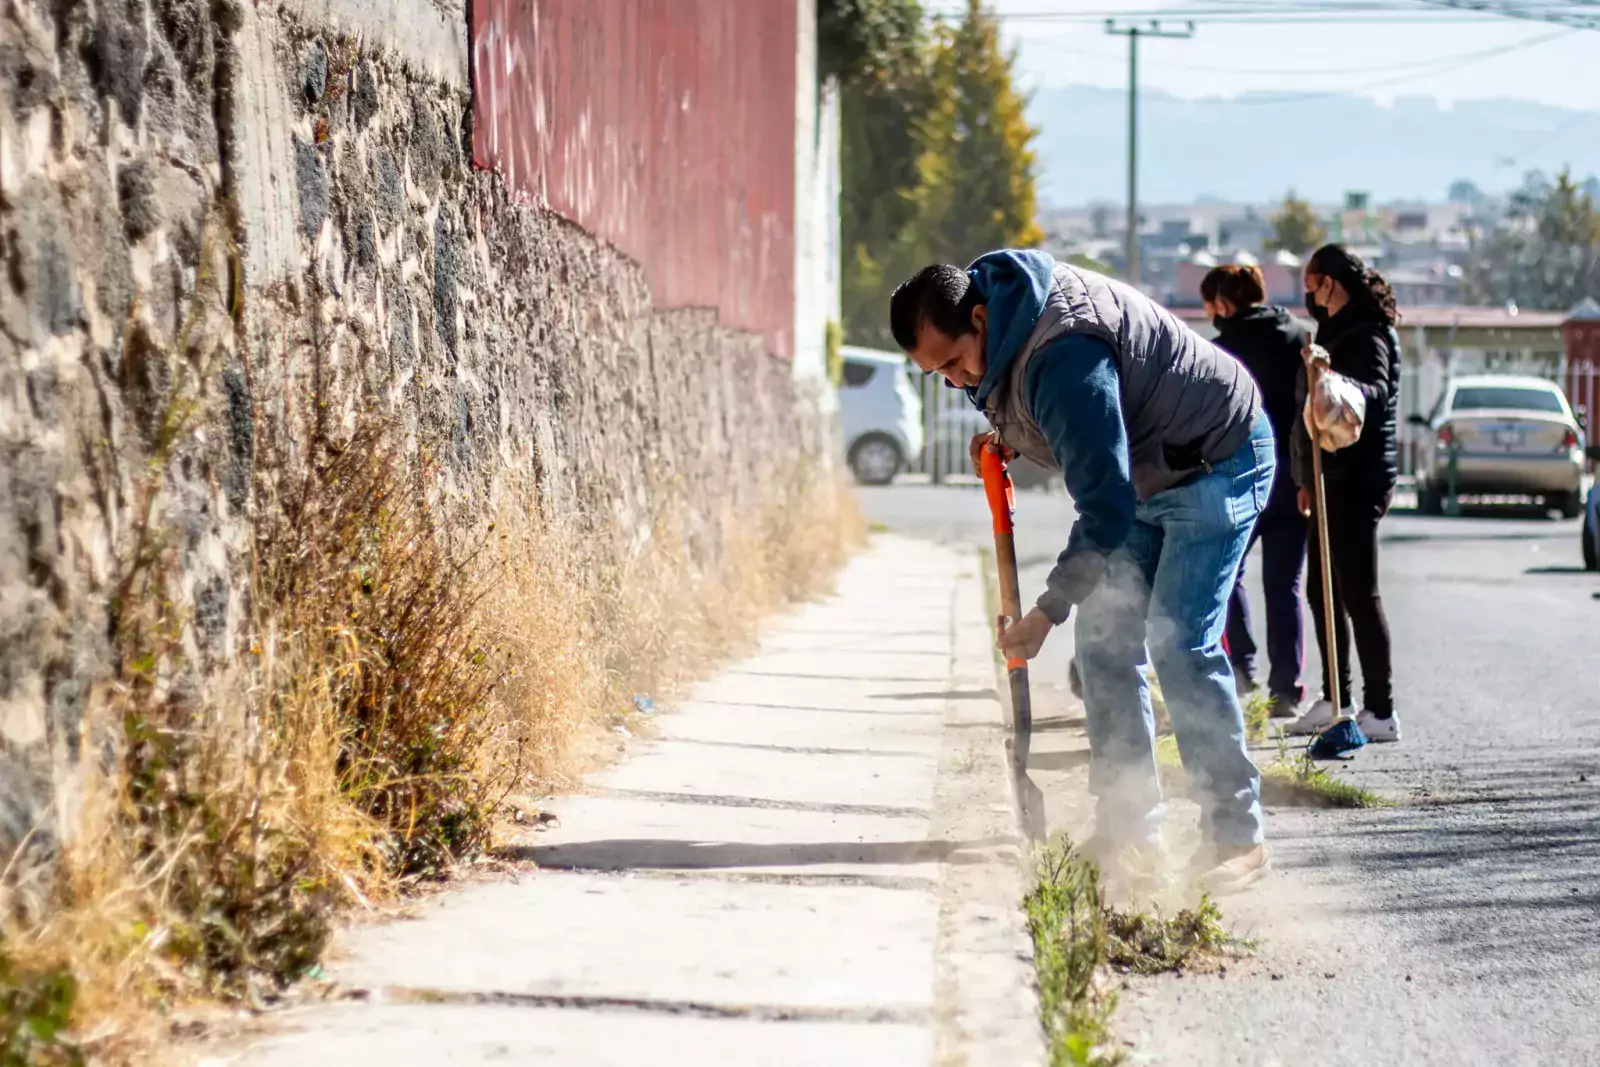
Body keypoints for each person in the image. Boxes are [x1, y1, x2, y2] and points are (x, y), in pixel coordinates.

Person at [889, 250, 1274, 892]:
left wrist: (1047, 611)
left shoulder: (1063, 351)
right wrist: (1012, 430)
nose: (955, 381)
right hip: (1144, 475)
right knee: (1103, 650)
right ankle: (1130, 831)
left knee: (1179, 641)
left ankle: (1237, 835)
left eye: (954, 362)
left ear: (980, 318)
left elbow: (1104, 505)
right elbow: (1047, 411)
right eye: (939, 374)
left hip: (1215, 459)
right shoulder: (1002, 328)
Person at [1284, 245, 1402, 743]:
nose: (1308, 292)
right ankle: (1338, 697)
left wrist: (1332, 378)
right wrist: (1307, 480)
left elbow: (1374, 391)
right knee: (1322, 592)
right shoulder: (1334, 329)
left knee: (1358, 593)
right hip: (1328, 479)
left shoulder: (1368, 333)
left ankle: (1381, 709)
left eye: (1313, 282)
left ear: (1334, 281)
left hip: (1358, 479)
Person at [1201, 264, 1310, 718]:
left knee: (1227, 575)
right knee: (1285, 584)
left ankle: (1242, 672)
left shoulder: (1218, 353)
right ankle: (1286, 689)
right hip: (1296, 475)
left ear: (1223, 306)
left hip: (1242, 476)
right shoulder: (1302, 337)